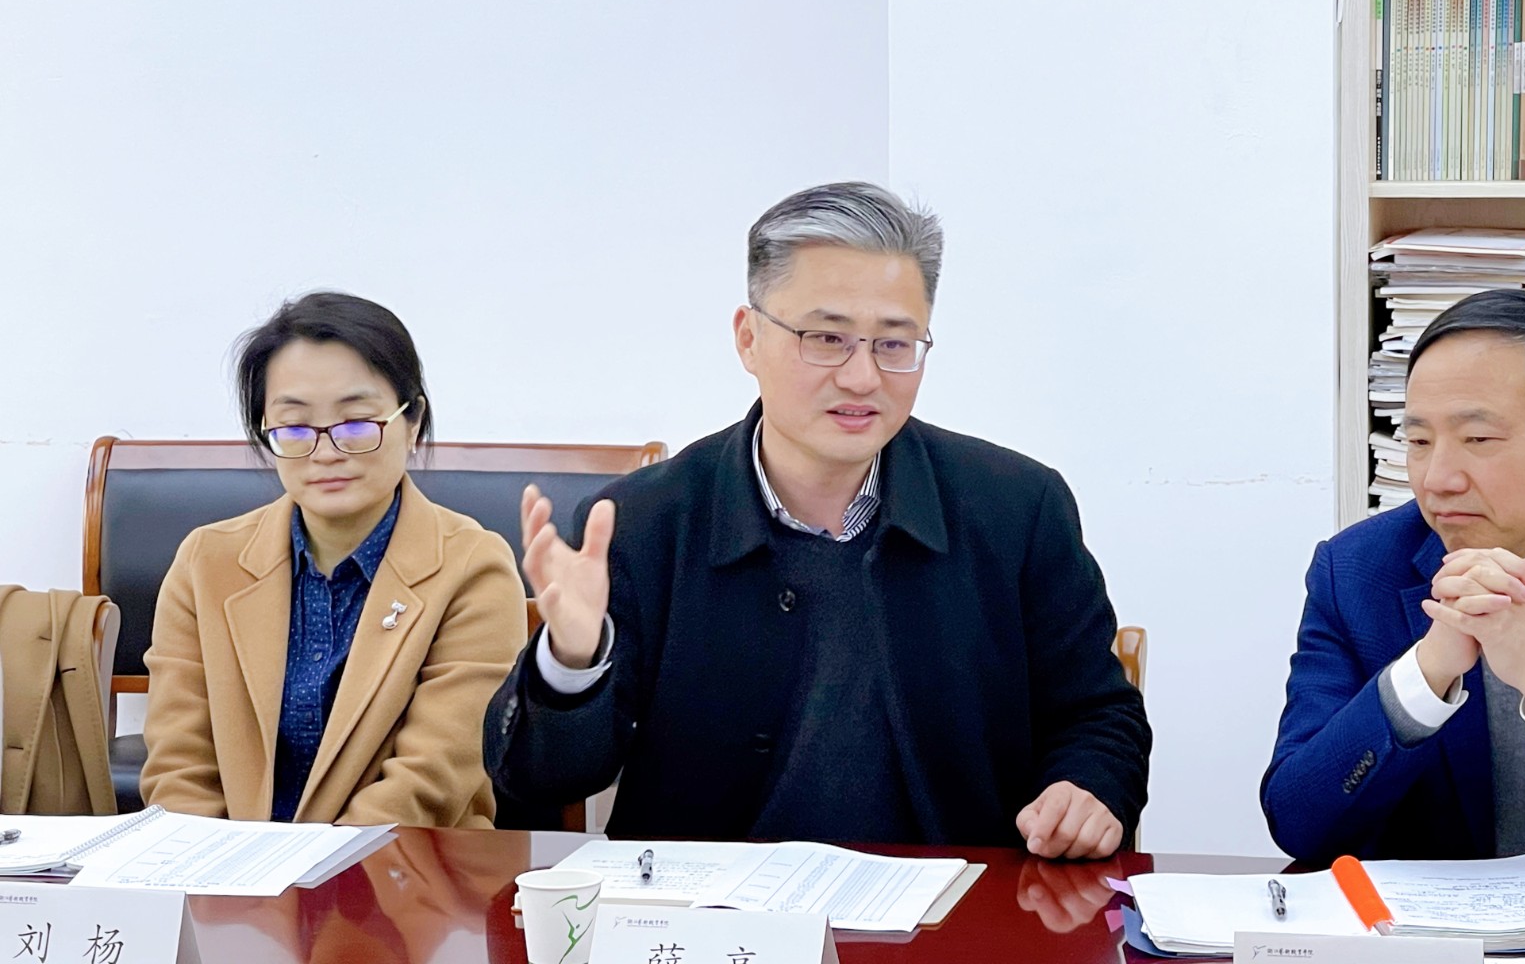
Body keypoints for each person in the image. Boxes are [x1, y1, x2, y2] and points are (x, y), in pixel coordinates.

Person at [485, 181, 1150, 855]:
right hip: (711, 908)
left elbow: (1100, 715)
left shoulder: (1016, 507)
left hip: (955, 899)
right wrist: (572, 662)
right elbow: (540, 781)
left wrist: (1087, 787)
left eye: (894, 344)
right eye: (827, 338)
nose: (862, 377)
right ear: (748, 338)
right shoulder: (642, 522)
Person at [142, 291, 526, 826]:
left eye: (356, 424)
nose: (325, 452)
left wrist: (311, 873)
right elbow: (180, 766)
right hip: (230, 867)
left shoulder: (473, 567)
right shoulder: (207, 562)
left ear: (412, 422)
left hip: (402, 865)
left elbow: (429, 781)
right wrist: (217, 866)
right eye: (295, 428)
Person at [1263, 289, 1525, 862]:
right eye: (1418, 441)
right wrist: (1424, 674)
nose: (1438, 479)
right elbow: (1298, 824)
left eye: (1478, 440)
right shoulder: (1356, 573)